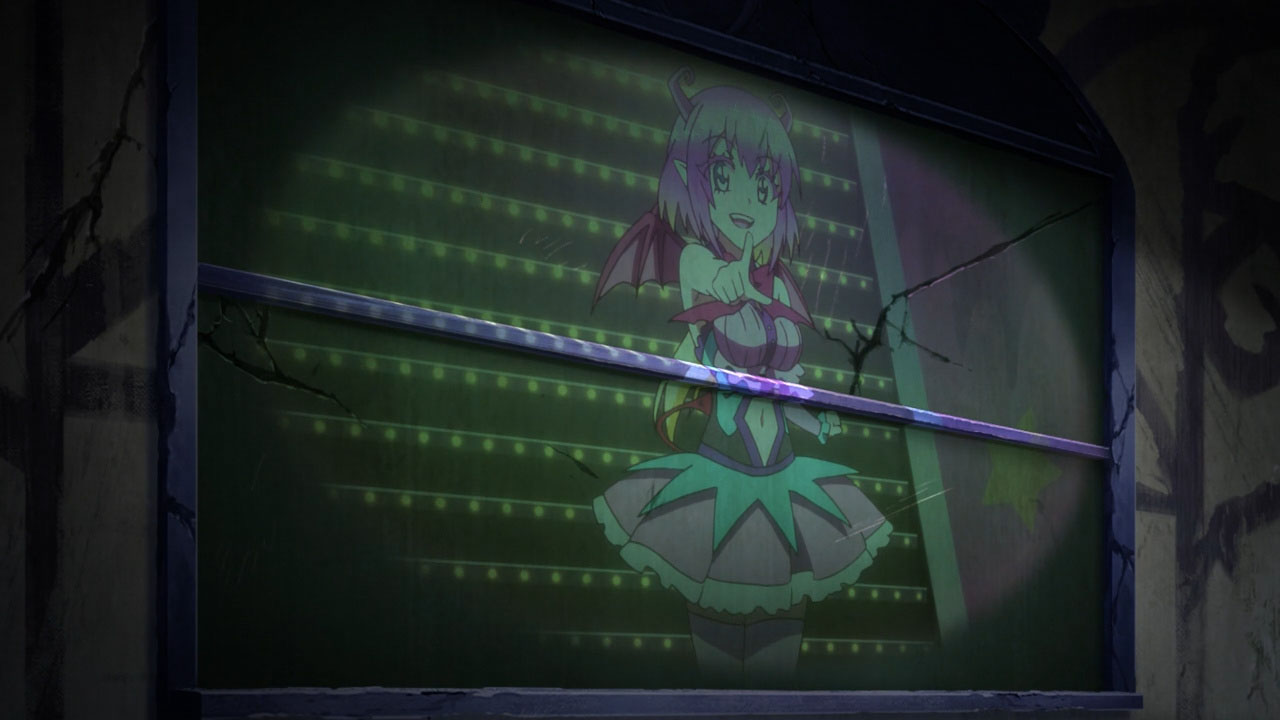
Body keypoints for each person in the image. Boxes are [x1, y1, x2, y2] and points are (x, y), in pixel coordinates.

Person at [591, 67, 893, 687]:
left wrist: (817, 414)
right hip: (721, 475)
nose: (747, 202)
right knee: (720, 638)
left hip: (782, 475)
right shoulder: (698, 262)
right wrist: (749, 280)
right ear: (690, 180)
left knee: (782, 633)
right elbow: (719, 287)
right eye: (723, 177)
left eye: (764, 184)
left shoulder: (779, 284)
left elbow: (784, 379)